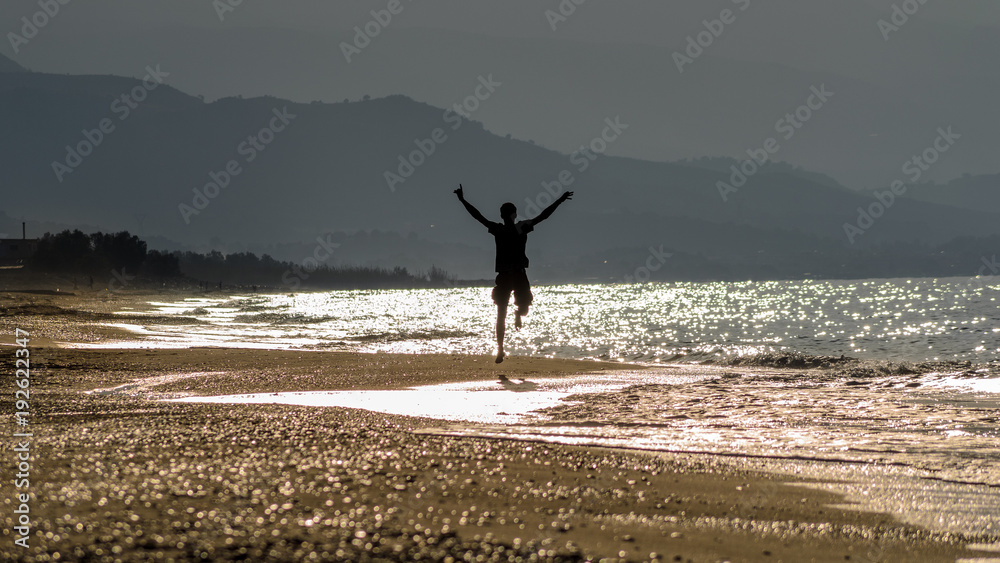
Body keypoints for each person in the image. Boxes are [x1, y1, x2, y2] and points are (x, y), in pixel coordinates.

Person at [454, 184, 573, 363]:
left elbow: (478, 216)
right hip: (515, 275)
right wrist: (560, 200)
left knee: (504, 313)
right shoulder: (518, 228)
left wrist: (463, 200)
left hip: (508, 276)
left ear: (502, 215)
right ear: (514, 214)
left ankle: (513, 324)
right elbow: (543, 216)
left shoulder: (500, 229)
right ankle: (501, 349)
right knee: (513, 310)